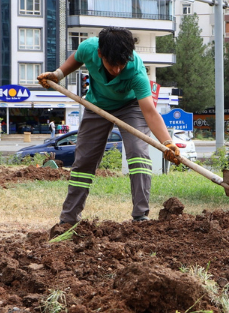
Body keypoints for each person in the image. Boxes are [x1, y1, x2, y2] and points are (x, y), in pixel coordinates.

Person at [38, 27, 180, 225]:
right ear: (100, 54)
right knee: (84, 159)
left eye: (122, 64)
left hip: (131, 107)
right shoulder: (89, 47)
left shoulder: (136, 71)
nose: (117, 70)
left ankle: (140, 215)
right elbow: (77, 58)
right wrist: (58, 74)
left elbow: (149, 111)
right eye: (112, 64)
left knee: (138, 153)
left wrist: (167, 142)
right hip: (97, 105)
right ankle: (69, 219)